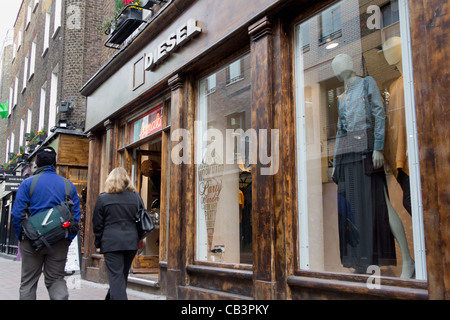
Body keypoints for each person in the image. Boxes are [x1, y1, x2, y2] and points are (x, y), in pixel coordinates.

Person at [11, 146, 81, 300]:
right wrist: (67, 238)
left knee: (28, 282)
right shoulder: (68, 185)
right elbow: (76, 216)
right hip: (59, 239)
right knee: (56, 280)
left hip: (31, 241)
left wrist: (22, 236)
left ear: (36, 162)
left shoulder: (28, 183)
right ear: (55, 162)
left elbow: (17, 214)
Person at [92, 167, 141, 300]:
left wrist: (98, 242)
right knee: (121, 276)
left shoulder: (103, 199)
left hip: (111, 243)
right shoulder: (135, 197)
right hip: (131, 242)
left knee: (116, 277)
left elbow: (97, 225)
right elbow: (142, 219)